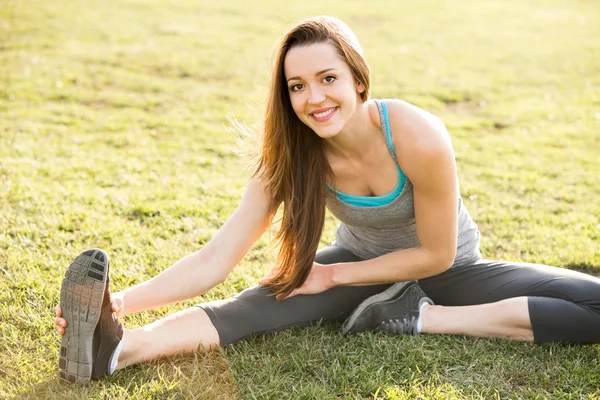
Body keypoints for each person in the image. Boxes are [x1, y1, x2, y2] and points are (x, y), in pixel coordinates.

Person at [54, 16, 600, 384]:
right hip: (358, 266)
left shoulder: (416, 134)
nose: (313, 98)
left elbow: (435, 256)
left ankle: (417, 317)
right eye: (296, 86)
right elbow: (215, 260)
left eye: (327, 78)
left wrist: (333, 278)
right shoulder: (291, 157)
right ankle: (116, 349)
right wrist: (117, 303)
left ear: (359, 80)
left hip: (451, 271)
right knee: (250, 309)